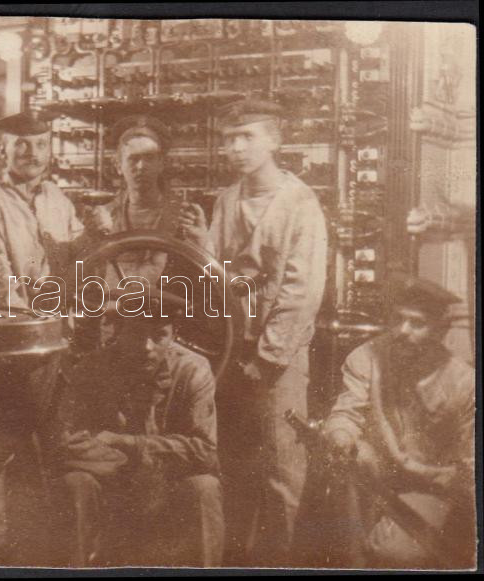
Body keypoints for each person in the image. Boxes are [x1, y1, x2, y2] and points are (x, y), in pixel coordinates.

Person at [178, 98, 328, 565]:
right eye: (229, 139)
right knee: (234, 463)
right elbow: (223, 279)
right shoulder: (228, 199)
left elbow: (301, 291)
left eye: (247, 136)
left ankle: (279, 562)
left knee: (281, 470)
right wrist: (202, 245)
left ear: (275, 141)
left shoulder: (300, 203)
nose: (236, 147)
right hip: (229, 352)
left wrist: (267, 358)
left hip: (276, 360)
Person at [48, 292, 224, 567]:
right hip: (110, 486)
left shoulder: (193, 370)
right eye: (137, 334)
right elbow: (65, 443)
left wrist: (125, 443)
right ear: (119, 331)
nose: (147, 347)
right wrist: (128, 461)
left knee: (205, 488)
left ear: (174, 335)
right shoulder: (90, 369)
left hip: (167, 485)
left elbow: (205, 452)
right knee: (76, 483)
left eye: (159, 336)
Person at [322, 276, 475, 569]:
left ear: (441, 330)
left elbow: (470, 468)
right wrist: (341, 435)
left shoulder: (464, 383)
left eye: (417, 323)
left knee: (395, 553)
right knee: (354, 457)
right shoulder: (367, 357)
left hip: (432, 487)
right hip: (376, 477)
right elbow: (346, 413)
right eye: (398, 319)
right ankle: (352, 561)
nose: (402, 330)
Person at [0, 111, 108, 311]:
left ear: (49, 152)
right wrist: (29, 321)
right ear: (3, 151)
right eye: (22, 144)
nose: (33, 154)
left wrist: (92, 233)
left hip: (60, 317)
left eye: (41, 144)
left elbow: (79, 259)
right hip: (18, 319)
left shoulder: (56, 196)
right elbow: (0, 281)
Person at [100, 115, 179, 285]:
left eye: (149, 158)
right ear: (118, 165)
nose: (141, 167)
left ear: (162, 163)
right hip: (113, 300)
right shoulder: (105, 215)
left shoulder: (182, 215)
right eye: (133, 159)